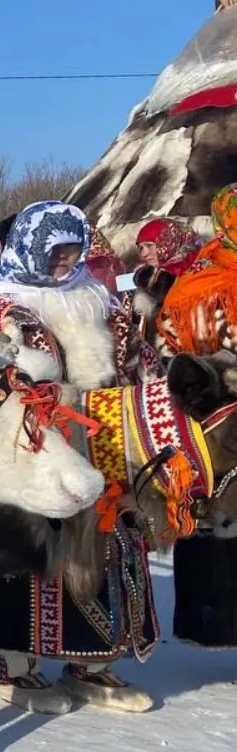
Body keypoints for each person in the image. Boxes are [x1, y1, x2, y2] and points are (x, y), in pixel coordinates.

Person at [0, 199, 157, 713]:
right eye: (57, 253)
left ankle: (92, 660)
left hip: (106, 443)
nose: (67, 261)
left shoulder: (95, 298)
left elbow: (134, 361)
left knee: (107, 548)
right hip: (35, 451)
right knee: (25, 551)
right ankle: (17, 667)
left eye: (72, 251)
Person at [158, 185, 237, 649]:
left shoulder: (199, 273)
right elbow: (171, 342)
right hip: (214, 414)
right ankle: (218, 624)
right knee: (220, 519)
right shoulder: (205, 279)